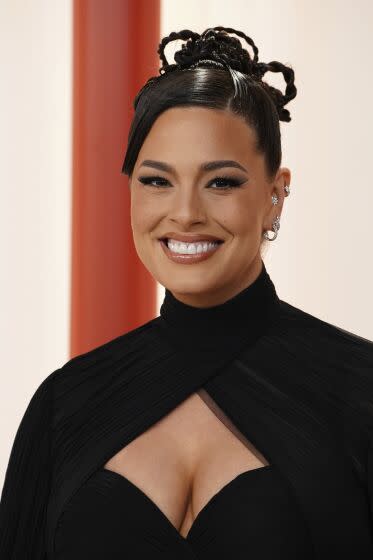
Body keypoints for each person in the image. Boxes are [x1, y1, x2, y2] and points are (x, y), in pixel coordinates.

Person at [1, 25, 373, 560]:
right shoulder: (63, 407)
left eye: (221, 182)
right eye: (157, 181)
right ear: (129, 189)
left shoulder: (360, 398)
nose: (186, 214)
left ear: (275, 194)